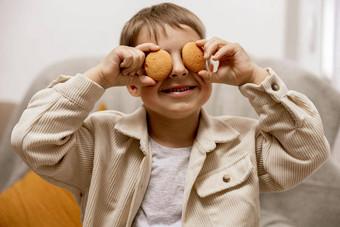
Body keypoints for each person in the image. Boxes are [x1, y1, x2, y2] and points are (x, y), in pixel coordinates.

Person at [11, 2, 329, 227]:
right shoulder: (100, 142)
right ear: (133, 85)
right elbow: (32, 141)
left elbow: (309, 150)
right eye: (158, 58)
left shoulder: (242, 142)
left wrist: (254, 78)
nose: (177, 69)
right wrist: (100, 78)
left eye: (189, 56)